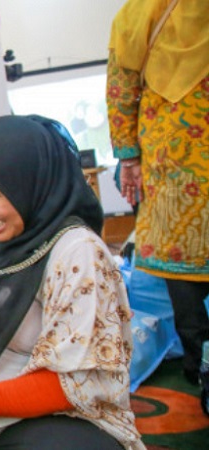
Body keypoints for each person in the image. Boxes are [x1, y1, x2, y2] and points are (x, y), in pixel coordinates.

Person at [0, 115, 143, 449]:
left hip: (45, 425)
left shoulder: (78, 251)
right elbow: (11, 292)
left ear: (30, 183)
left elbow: (77, 380)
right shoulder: (16, 234)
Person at [106, 0, 209, 386]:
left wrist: (129, 156)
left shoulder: (140, 12)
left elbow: (120, 87)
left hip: (171, 160)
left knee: (182, 275)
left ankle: (199, 365)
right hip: (173, 166)